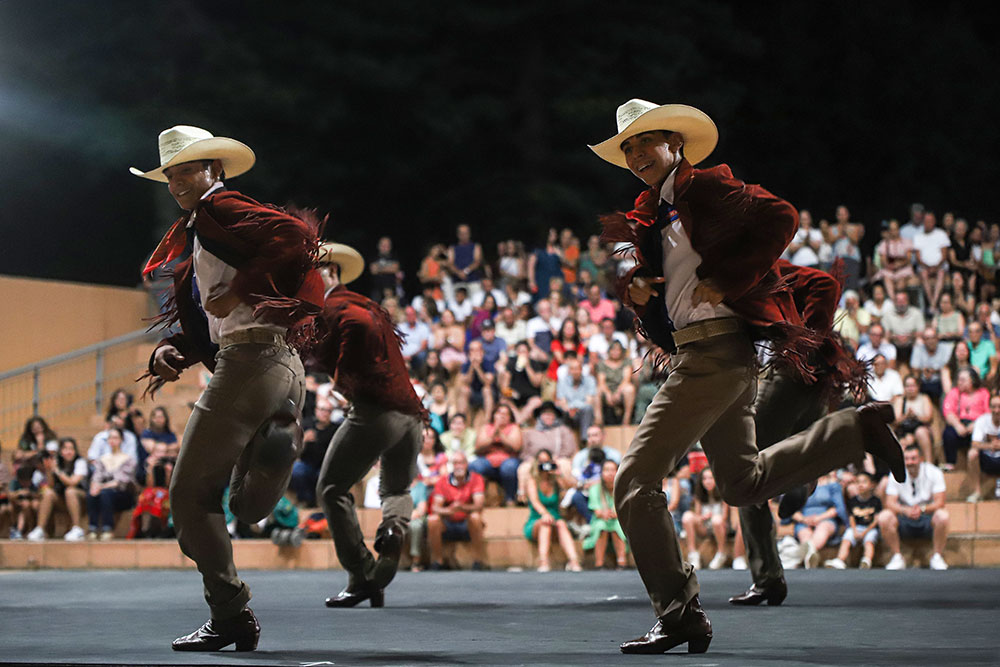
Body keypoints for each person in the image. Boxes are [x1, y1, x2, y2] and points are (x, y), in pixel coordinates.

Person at [590, 99, 904, 654]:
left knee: (633, 483)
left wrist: (728, 277)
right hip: (712, 355)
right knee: (742, 483)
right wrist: (637, 292)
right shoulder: (652, 211)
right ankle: (855, 431)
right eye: (628, 147)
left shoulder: (703, 188)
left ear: (675, 145)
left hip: (712, 356)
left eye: (646, 141)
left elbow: (781, 216)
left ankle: (678, 610)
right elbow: (667, 299)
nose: (637, 153)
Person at [134, 125, 323, 651]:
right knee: (241, 507)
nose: (175, 183)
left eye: (185, 170)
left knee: (188, 499)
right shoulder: (207, 225)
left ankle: (231, 615)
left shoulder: (221, 208)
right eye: (169, 175)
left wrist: (239, 288)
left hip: (248, 364)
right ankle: (274, 446)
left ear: (214, 169)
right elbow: (213, 313)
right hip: (280, 366)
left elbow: (298, 237)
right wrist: (178, 347)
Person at [310, 242, 425, 609]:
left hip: (376, 413)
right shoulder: (367, 304)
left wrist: (341, 378)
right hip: (411, 415)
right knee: (395, 489)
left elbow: (350, 334)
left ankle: (361, 575)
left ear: (328, 273)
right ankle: (392, 530)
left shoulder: (337, 308)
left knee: (331, 489)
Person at [878, 444, 950, 570]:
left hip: (926, 515)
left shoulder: (934, 472)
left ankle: (937, 556)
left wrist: (922, 509)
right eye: (906, 459)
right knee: (884, 517)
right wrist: (904, 510)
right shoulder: (895, 473)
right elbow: (890, 502)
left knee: (943, 516)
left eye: (913, 458)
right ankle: (897, 556)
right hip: (904, 517)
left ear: (921, 459)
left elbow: (940, 502)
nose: (910, 462)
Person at [523, 449, 582, 572]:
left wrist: (559, 473)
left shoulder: (555, 480)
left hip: (555, 519)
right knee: (546, 524)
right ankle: (543, 561)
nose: (544, 464)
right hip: (536, 519)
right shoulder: (532, 480)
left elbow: (572, 486)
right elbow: (534, 501)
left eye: (547, 461)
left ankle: (573, 561)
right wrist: (544, 514)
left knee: (561, 523)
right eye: (541, 461)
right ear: (536, 463)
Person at [427, 451, 487, 570]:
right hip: (448, 522)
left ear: (467, 464)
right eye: (456, 463)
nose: (459, 466)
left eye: (462, 463)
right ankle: (438, 561)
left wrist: (462, 507)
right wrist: (450, 510)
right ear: (451, 465)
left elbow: (479, 505)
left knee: (476, 517)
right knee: (432, 519)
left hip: (467, 523)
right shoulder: (442, 481)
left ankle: (478, 561)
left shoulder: (476, 479)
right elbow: (435, 507)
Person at [27, 438, 88, 541]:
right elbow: (50, 486)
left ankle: (77, 528)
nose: (68, 452)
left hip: (82, 500)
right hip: (63, 499)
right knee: (48, 493)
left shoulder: (80, 462)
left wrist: (57, 470)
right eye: (65, 449)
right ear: (60, 451)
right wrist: (48, 470)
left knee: (70, 491)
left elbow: (72, 482)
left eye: (71, 449)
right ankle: (40, 529)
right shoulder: (57, 462)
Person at [786, 472, 847, 569]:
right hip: (804, 521)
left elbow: (838, 508)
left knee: (823, 527)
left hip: (826, 518)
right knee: (804, 533)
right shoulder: (799, 484)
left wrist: (819, 518)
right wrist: (804, 519)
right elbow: (790, 509)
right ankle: (810, 555)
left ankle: (799, 556)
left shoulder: (833, 485)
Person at [86, 427, 137, 540]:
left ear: (121, 440)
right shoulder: (102, 459)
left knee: (105, 493)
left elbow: (120, 481)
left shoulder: (128, 459)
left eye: (115, 437)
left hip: (122, 494)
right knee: (92, 494)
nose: (112, 440)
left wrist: (100, 486)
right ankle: (93, 528)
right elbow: (96, 477)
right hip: (105, 491)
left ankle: (108, 528)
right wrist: (94, 486)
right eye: (110, 438)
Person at [824, 471, 882, 569]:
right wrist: (854, 531)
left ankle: (867, 560)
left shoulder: (876, 501)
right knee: (847, 538)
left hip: (870, 528)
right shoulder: (853, 501)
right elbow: (851, 518)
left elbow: (876, 520)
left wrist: (865, 532)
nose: (861, 485)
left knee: (869, 541)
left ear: (871, 485)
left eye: (864, 482)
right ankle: (840, 559)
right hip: (856, 527)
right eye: (858, 482)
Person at [469, 404, 522, 505]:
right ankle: (477, 500)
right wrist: (494, 433)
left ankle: (510, 498)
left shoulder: (514, 428)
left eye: (505, 414)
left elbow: (516, 447)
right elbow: (478, 447)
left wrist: (501, 434)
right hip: (488, 462)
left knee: (509, 467)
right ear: (493, 415)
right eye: (499, 413)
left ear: (510, 417)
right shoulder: (486, 427)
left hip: (508, 461)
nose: (502, 416)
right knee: (475, 465)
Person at [680, 468, 732, 571]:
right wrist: (703, 517)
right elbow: (698, 516)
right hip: (704, 526)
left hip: (719, 526)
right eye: (704, 479)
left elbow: (725, 517)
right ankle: (693, 553)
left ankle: (721, 553)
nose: (707, 481)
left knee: (716, 520)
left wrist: (712, 517)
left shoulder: (723, 494)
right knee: (687, 516)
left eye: (710, 478)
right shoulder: (700, 495)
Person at [290, 400, 338, 507]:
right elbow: (293, 449)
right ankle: (308, 502)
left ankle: (325, 503)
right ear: (316, 411)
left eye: (328, 410)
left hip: (326, 465)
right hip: (307, 464)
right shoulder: (306, 425)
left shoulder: (335, 430)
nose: (324, 413)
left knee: (327, 475)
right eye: (322, 409)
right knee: (296, 470)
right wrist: (304, 441)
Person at [941, 367, 990, 468]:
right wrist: (958, 425)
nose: (959, 382)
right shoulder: (954, 392)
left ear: (972, 380)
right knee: (948, 433)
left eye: (963, 380)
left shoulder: (983, 393)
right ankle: (950, 463)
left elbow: (988, 414)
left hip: (977, 424)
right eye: (958, 379)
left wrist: (977, 424)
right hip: (959, 423)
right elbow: (948, 412)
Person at [892, 376, 935, 464]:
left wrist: (916, 416)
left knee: (921, 432)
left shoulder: (924, 398)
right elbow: (895, 421)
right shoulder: (900, 400)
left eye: (913, 386)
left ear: (918, 387)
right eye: (908, 386)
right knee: (903, 442)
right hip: (903, 431)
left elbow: (928, 418)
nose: (910, 389)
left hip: (921, 428)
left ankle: (929, 464)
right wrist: (906, 416)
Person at [965, 393, 1000, 502]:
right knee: (972, 453)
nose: (996, 410)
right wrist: (990, 445)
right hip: (987, 459)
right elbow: (974, 444)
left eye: (999, 407)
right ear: (989, 407)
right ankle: (977, 492)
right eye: (993, 406)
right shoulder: (982, 420)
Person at [913, 212, 950, 309]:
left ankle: (934, 303)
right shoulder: (918, 237)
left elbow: (944, 255)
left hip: (940, 265)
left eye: (930, 221)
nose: (928, 223)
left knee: (941, 273)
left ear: (934, 222)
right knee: (924, 274)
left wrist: (936, 267)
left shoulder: (941, 234)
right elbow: (918, 257)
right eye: (926, 221)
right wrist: (928, 267)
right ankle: (932, 303)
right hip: (924, 267)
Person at [595, 340, 636, 426]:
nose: (615, 352)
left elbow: (626, 379)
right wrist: (608, 393)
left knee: (630, 389)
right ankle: (599, 422)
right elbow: (601, 382)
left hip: (621, 389)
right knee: (596, 391)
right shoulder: (602, 364)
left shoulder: (626, 362)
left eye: (618, 350)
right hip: (607, 390)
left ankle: (626, 421)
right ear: (609, 351)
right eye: (613, 350)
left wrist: (618, 392)